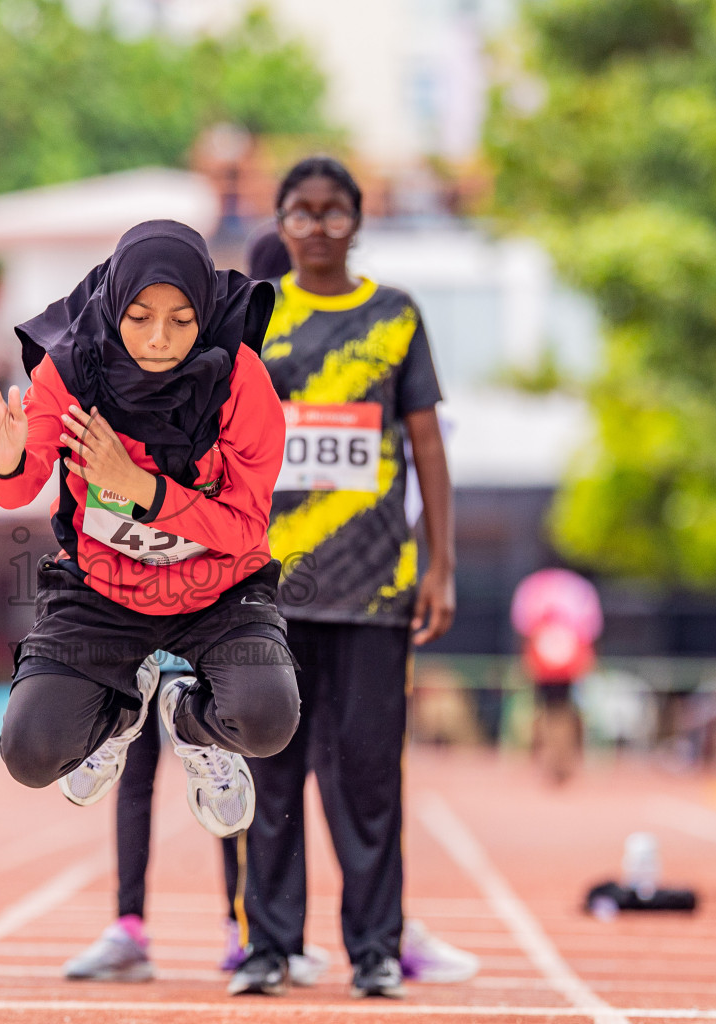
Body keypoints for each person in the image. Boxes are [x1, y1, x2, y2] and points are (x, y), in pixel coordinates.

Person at [229, 157, 478, 1000]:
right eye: (301, 213)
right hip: (272, 592)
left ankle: (375, 949)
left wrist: (441, 565)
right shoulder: (257, 318)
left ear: (359, 221)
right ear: (281, 222)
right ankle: (268, 946)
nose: (319, 228)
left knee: (370, 774)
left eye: (335, 214)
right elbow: (225, 444)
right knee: (270, 772)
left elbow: (429, 448)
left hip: (376, 590)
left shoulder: (395, 317)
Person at [0, 220, 300, 842]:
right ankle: (119, 712)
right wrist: (8, 458)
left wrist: (141, 491)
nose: (159, 338)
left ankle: (193, 725)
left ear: (205, 311)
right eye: (141, 316)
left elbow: (246, 524)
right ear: (115, 304)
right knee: (31, 753)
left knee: (266, 720)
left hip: (218, 591)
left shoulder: (241, 381)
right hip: (104, 590)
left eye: (181, 320)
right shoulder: (69, 372)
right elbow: (16, 489)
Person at [59, 229, 328, 987]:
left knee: (228, 747)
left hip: (235, 586)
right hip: (135, 586)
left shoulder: (265, 381)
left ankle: (241, 926)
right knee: (135, 749)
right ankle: (131, 924)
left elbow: (249, 505)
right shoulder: (158, 366)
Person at [510, 566, 603, 784]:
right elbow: (591, 629)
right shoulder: (580, 587)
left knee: (548, 708)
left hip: (544, 655)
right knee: (564, 708)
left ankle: (553, 760)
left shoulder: (531, 585)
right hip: (569, 656)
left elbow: (523, 627)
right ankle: (560, 760)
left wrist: (526, 657)